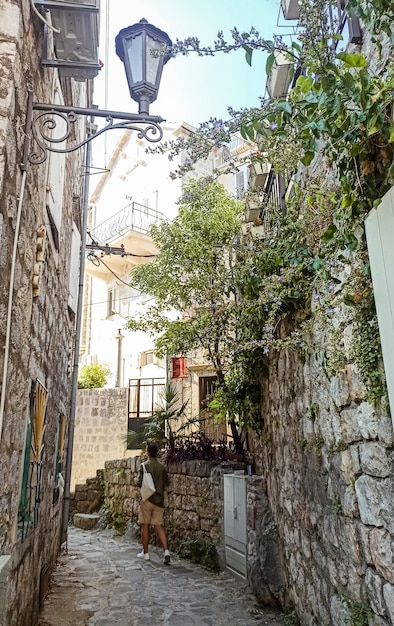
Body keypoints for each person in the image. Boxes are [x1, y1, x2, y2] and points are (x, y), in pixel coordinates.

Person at [137, 443, 170, 565]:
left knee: (145, 526)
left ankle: (145, 553)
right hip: (159, 500)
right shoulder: (162, 468)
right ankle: (166, 551)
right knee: (158, 525)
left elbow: (139, 483)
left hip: (147, 500)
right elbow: (166, 482)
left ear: (147, 453)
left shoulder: (144, 466)